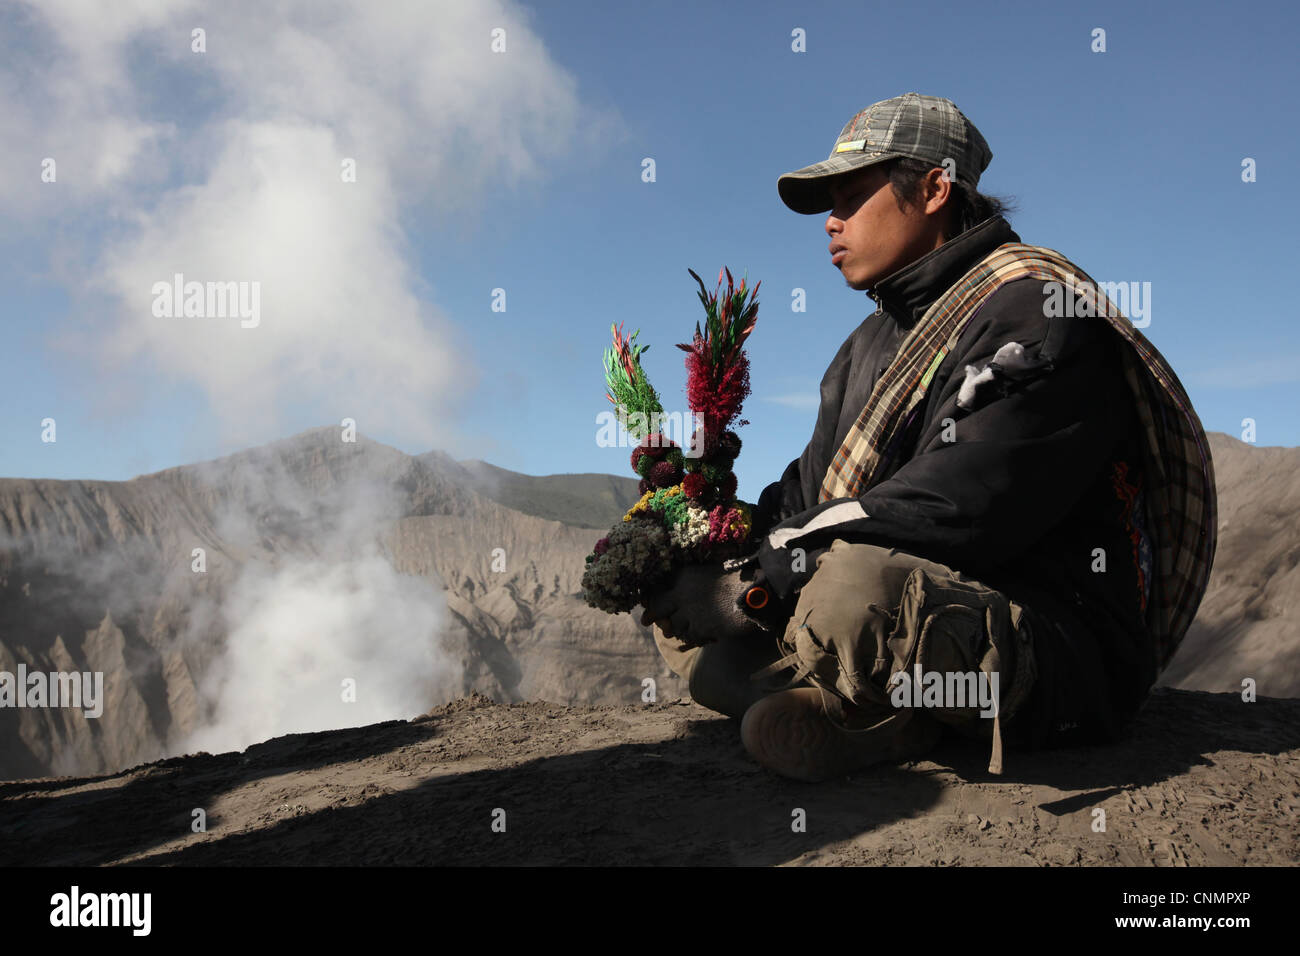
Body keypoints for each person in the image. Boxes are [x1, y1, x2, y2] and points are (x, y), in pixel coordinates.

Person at [640, 92, 1216, 782]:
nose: (830, 223)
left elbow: (964, 501)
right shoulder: (870, 342)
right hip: (917, 606)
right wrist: (716, 542)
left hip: (1049, 641)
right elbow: (809, 489)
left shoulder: (1038, 310)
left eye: (851, 198)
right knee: (688, 603)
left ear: (936, 188)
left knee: (849, 593)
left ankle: (878, 715)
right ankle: (858, 709)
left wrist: (769, 574)